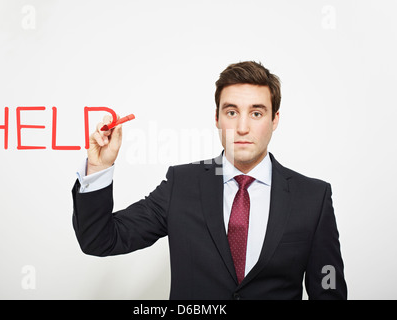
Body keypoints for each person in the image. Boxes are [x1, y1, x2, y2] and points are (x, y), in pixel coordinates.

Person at [72, 61, 347, 300]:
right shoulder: (182, 184)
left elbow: (328, 290)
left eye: (256, 113)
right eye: (231, 112)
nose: (242, 127)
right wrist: (99, 166)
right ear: (216, 118)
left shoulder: (313, 197)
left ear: (274, 120)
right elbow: (100, 240)